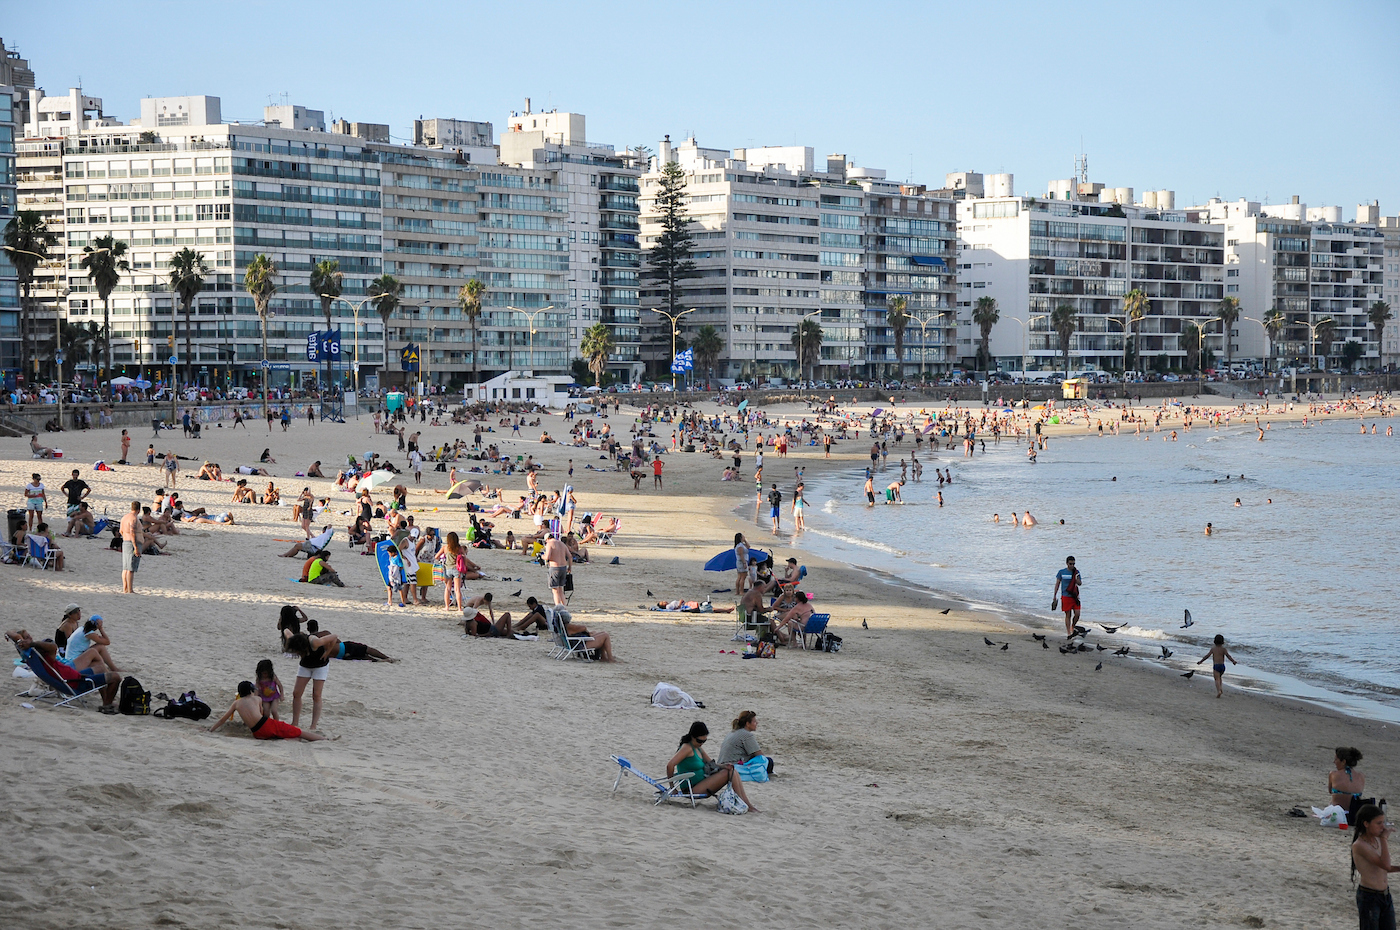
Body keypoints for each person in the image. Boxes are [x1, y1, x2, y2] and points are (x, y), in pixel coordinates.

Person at [5, 629, 121, 713]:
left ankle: (106, 700)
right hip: (75, 683)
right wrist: (31, 643)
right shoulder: (41, 653)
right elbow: (54, 647)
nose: (31, 638)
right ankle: (107, 705)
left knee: (100, 668)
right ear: (25, 642)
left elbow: (12, 633)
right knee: (116, 677)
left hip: (71, 677)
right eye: (28, 637)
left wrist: (9, 634)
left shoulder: (30, 655)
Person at [665, 721, 759, 813]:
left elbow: (711, 763)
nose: (701, 743)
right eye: (699, 741)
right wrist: (672, 788)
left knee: (732, 769)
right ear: (692, 736)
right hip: (691, 789)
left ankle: (746, 804)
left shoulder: (698, 747)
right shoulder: (687, 748)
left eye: (704, 741)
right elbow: (670, 765)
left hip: (702, 783)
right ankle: (745, 804)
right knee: (729, 772)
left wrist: (724, 766)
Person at [208, 680, 328, 741]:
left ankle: (291, 739)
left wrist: (211, 730)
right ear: (251, 691)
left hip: (256, 733)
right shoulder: (257, 698)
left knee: (280, 736)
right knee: (298, 731)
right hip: (265, 724)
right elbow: (262, 714)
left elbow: (222, 720)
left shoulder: (236, 703)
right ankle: (324, 740)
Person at [1351, 803, 1400, 930]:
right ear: (1366, 824)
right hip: (1369, 896)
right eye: (1378, 823)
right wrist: (1384, 839)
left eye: (1383, 822)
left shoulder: (1376, 840)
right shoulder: (1360, 845)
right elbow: (1385, 864)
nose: (1382, 827)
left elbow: (1383, 868)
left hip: (1385, 895)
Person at [285, 630, 339, 731]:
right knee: (296, 693)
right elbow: (286, 630)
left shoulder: (315, 642)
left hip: (320, 666)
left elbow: (334, 636)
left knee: (316, 695)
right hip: (305, 666)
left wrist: (328, 652)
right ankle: (295, 722)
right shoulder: (293, 640)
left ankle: (313, 725)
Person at [717, 709, 774, 776]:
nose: (757, 723)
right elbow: (760, 755)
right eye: (754, 721)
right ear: (748, 724)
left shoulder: (733, 732)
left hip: (721, 765)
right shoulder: (746, 735)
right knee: (769, 761)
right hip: (732, 766)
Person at [1330, 747, 1367, 821]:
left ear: (1343, 761)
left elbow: (1330, 790)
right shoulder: (1361, 776)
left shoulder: (1333, 774)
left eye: (1336, 759)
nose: (1334, 762)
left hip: (1337, 813)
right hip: (1354, 814)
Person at [1196, 633, 1237, 698]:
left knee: (1216, 679)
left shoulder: (1213, 649)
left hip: (1216, 666)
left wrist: (1201, 661)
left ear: (1214, 641)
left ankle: (1219, 691)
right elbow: (1228, 656)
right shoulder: (1224, 649)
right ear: (1222, 641)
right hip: (1222, 666)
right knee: (1220, 678)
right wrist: (1233, 661)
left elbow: (1207, 656)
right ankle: (1220, 688)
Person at [1051, 555, 1082, 638]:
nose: (1072, 565)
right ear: (1067, 563)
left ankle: (1073, 626)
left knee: (1077, 614)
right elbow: (1057, 584)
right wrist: (1054, 595)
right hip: (1065, 596)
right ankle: (1069, 632)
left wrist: (1076, 579)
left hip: (1075, 596)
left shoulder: (1076, 572)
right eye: (1070, 564)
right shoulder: (1061, 572)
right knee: (1068, 615)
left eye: (1073, 564)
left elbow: (1080, 583)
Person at [119, 500, 145, 594]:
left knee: (125, 567)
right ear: (138, 510)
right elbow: (132, 532)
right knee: (131, 568)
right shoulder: (133, 519)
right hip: (132, 543)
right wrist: (136, 547)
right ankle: (130, 589)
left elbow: (121, 531)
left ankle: (125, 588)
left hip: (125, 541)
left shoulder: (124, 517)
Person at [543, 534, 571, 606]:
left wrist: (542, 556)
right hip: (563, 567)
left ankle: (558, 606)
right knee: (560, 589)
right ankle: (564, 606)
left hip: (555, 567)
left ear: (547, 539)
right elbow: (570, 556)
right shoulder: (562, 543)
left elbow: (547, 557)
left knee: (555, 590)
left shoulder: (549, 544)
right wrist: (569, 567)